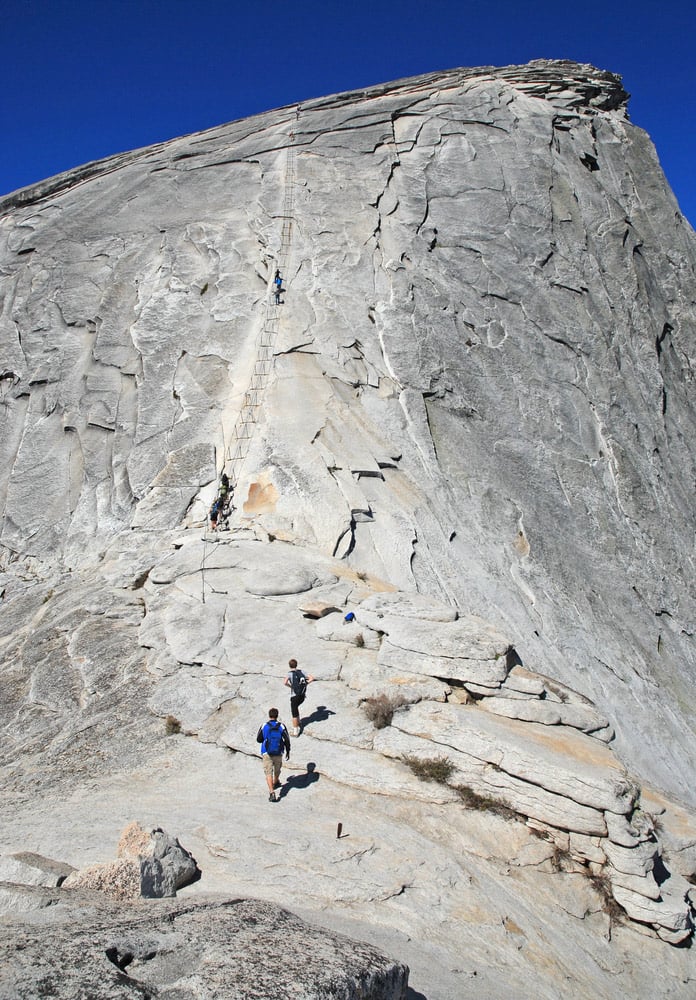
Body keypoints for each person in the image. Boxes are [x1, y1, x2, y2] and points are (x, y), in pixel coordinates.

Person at [256, 708, 291, 802]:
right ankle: (276, 782)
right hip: (279, 751)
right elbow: (287, 739)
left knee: (268, 772)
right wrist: (288, 751)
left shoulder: (264, 725)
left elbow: (258, 739)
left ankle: (272, 792)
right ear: (277, 715)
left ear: (269, 715)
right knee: (277, 769)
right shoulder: (281, 726)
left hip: (266, 751)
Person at [284, 658, 315, 737]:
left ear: (289, 666)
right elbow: (312, 678)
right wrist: (306, 684)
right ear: (296, 665)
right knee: (296, 707)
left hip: (295, 696)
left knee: (294, 712)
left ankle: (295, 732)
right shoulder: (302, 672)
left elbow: (285, 682)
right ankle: (299, 721)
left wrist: (291, 686)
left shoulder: (289, 674)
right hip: (302, 695)